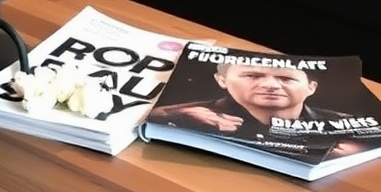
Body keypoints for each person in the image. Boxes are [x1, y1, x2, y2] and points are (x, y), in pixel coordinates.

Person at [151, 63, 353, 138]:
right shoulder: (176, 113)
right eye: (252, 76)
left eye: (286, 78)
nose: (271, 85)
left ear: (311, 87)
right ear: (222, 80)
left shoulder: (345, 124)